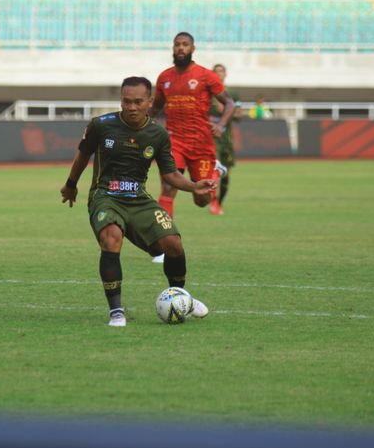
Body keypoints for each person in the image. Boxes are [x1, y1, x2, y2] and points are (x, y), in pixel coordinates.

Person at [60, 76, 213, 327]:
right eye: (126, 101)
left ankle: (180, 296)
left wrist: (194, 185)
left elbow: (170, 174)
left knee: (173, 243)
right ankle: (116, 311)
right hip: (105, 195)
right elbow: (82, 155)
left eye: (138, 102)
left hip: (139, 199)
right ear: (121, 100)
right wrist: (71, 184)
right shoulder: (101, 125)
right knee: (111, 237)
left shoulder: (158, 134)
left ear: (150, 102)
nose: (131, 107)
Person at [150, 32, 235, 261]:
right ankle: (165, 246)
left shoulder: (205, 76)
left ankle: (216, 170)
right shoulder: (164, 78)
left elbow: (229, 103)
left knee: (201, 200)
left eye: (185, 45)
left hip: (201, 145)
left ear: (193, 49)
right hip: (173, 141)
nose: (180, 48)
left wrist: (222, 124)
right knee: (168, 189)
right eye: (177, 44)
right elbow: (155, 108)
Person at [208, 63, 243, 216]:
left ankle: (220, 202)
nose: (219, 74)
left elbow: (240, 116)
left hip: (226, 138)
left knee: (226, 174)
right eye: (216, 72)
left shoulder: (233, 94)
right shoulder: (207, 94)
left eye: (221, 72)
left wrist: (229, 112)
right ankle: (213, 201)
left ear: (226, 74)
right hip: (211, 138)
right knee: (215, 168)